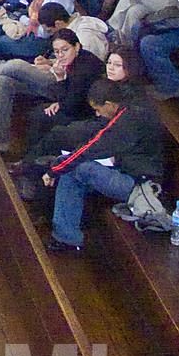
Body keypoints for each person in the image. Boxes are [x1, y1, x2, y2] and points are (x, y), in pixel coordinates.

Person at [41, 77, 166, 253]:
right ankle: (65, 232)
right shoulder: (131, 105)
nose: (97, 114)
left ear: (108, 104)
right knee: (73, 168)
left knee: (78, 168)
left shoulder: (127, 120)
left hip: (140, 185)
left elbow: (94, 147)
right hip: (131, 170)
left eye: (98, 109)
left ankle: (67, 237)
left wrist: (55, 170)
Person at [0, 16, 101, 149]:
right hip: (58, 83)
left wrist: (60, 79)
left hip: (67, 96)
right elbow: (62, 69)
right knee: (4, 80)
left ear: (77, 46)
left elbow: (71, 101)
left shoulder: (86, 67)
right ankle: (0, 140)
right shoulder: (71, 58)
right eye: (57, 52)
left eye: (65, 50)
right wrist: (49, 63)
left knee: (16, 67)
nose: (61, 55)